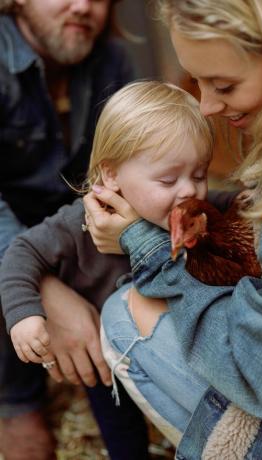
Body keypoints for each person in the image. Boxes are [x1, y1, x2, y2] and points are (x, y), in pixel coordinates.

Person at [82, 0, 262, 459]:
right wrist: (35, 304)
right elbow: (30, 252)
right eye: (197, 82)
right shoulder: (88, 213)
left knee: (122, 316)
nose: (206, 105)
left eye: (224, 84)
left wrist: (146, 247)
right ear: (109, 176)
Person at [0, 80, 214, 458]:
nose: (190, 191)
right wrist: (24, 315)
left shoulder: (196, 215)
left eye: (199, 175)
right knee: (121, 431)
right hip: (104, 361)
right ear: (111, 175)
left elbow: (236, 206)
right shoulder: (75, 224)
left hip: (171, 348)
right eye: (169, 179)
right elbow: (21, 251)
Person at [0, 2, 151, 460]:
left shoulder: (111, 60)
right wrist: (42, 289)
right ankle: (15, 402)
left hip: (76, 235)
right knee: (30, 446)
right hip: (16, 247)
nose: (84, 6)